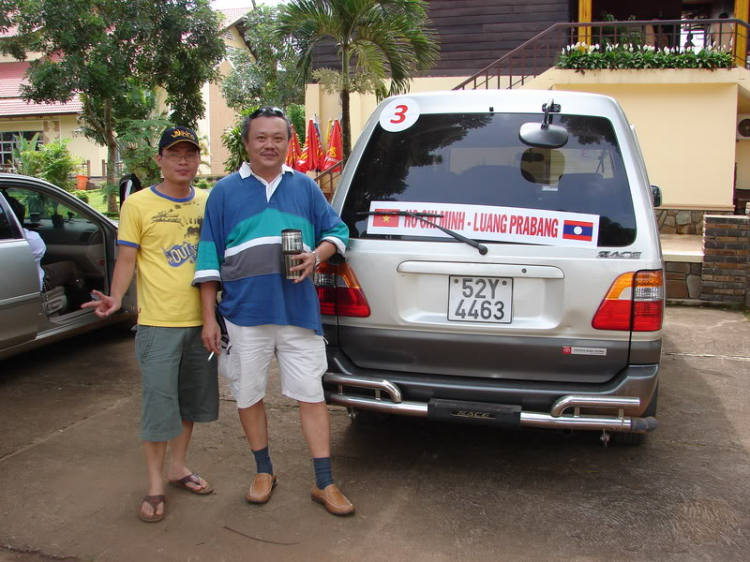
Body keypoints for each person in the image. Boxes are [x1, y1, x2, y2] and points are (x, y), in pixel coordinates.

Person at [194, 107, 354, 516]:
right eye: (261, 137)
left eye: (278, 137)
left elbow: (338, 231)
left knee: (310, 395)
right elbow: (209, 255)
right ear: (246, 143)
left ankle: (324, 482)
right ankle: (264, 471)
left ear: (287, 142)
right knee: (248, 395)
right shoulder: (225, 192)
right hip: (242, 314)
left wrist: (317, 256)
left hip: (298, 313)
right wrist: (209, 317)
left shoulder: (305, 187)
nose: (269, 144)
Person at [82, 126, 219, 523]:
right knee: (159, 407)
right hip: (158, 323)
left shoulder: (209, 202)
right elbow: (126, 259)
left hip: (201, 323)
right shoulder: (138, 205)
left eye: (190, 153)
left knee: (189, 403)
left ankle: (178, 467)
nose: (182, 160)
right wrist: (115, 296)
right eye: (174, 153)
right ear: (159, 159)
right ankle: (156, 483)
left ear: (197, 160)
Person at [6, 195, 87, 299]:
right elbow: (40, 252)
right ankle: (83, 304)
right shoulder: (30, 239)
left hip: (8, 288)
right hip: (31, 285)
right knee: (71, 267)